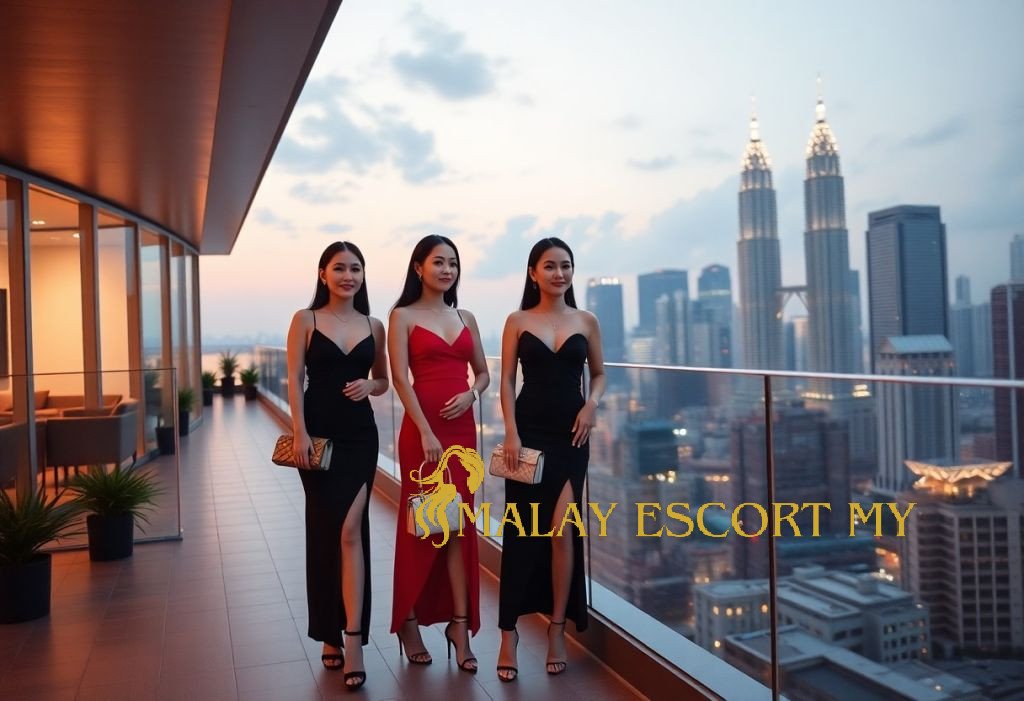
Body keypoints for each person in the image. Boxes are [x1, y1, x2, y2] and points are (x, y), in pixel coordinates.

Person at [495, 237, 606, 681]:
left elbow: (599, 374)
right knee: (522, 534)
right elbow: (506, 380)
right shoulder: (517, 320)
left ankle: (557, 629)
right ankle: (508, 633)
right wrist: (511, 431)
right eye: (550, 266)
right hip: (527, 435)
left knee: (562, 533)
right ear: (533, 273)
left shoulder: (587, 320)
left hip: (572, 437)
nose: (559, 273)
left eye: (566, 266)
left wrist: (592, 404)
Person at [286, 241, 389, 690]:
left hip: (360, 437)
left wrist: (371, 386)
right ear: (323, 273)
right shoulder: (305, 320)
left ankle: (353, 639)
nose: (349, 276)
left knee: (350, 530)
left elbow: (384, 380)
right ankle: (329, 631)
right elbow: (294, 378)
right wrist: (300, 432)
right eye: (340, 268)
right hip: (318, 438)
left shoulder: (374, 324)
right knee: (326, 532)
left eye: (356, 269)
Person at [389, 234, 489, 673]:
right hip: (423, 435)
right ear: (419, 267)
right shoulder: (402, 316)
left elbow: (483, 374)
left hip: (462, 433)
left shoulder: (465, 316)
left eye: (453, 263)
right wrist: (426, 431)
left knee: (459, 530)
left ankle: (459, 628)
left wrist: (471, 395)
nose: (447, 270)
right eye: (438, 262)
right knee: (424, 528)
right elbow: (399, 378)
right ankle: (408, 622)